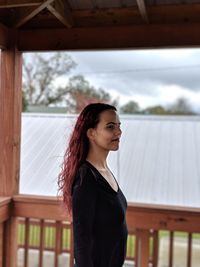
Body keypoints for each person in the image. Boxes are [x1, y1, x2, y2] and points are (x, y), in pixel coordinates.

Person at [58, 103, 128, 267]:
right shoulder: (86, 178)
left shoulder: (103, 171)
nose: (119, 132)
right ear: (91, 133)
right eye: (110, 127)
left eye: (118, 126)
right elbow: (81, 242)